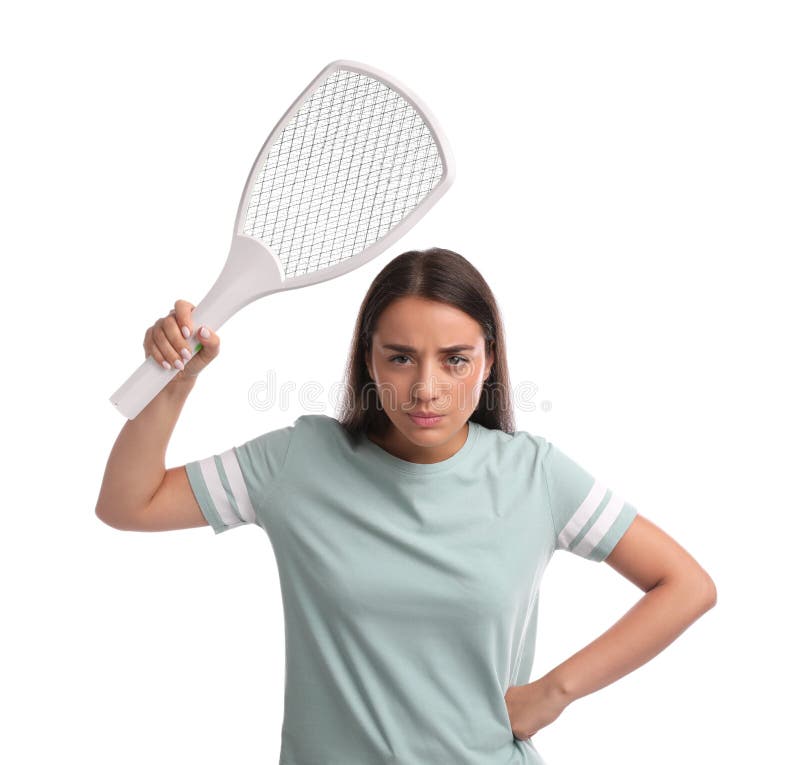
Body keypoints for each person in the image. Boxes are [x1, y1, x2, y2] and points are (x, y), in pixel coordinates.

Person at [95, 247, 716, 764]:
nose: (426, 388)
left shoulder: (535, 475)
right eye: (399, 357)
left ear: (489, 360)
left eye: (455, 360)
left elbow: (685, 584)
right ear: (367, 357)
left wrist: (554, 693)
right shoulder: (298, 463)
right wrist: (175, 381)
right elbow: (129, 504)